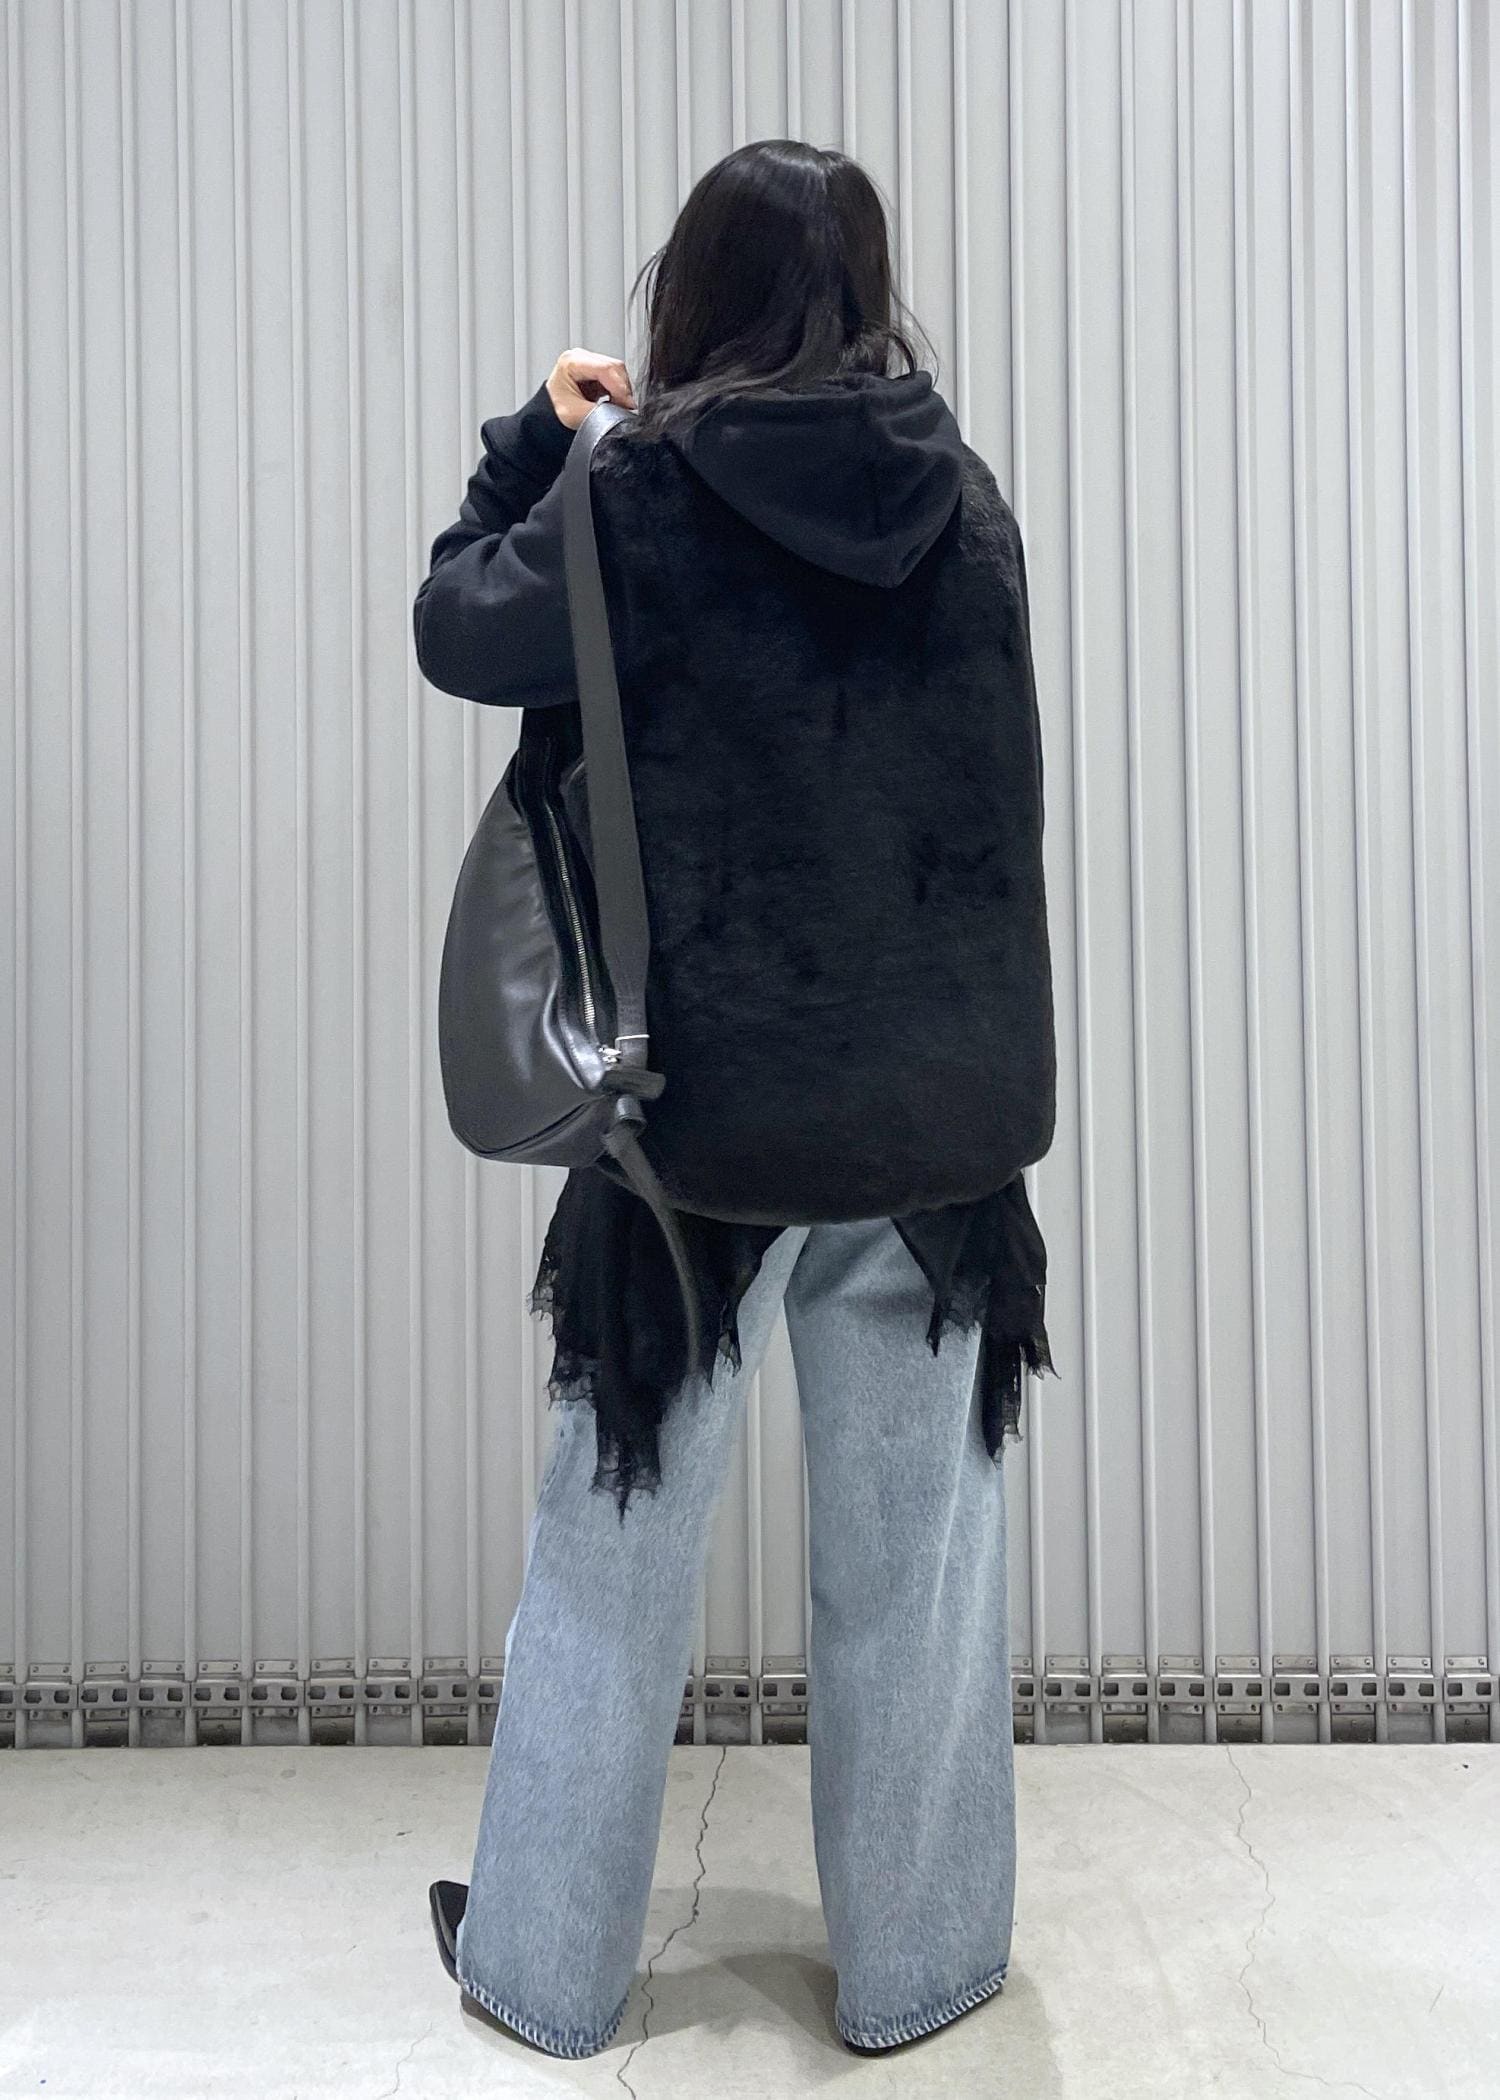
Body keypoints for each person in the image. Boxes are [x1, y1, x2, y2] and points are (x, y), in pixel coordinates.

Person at [411, 138, 1056, 2062]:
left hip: (697, 1134)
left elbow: (457, 625)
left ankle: (542, 1970)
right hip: (937, 1130)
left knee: (613, 1551)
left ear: (690, 296)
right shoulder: (969, 501)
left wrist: (535, 441)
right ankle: (921, 1971)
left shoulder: (636, 499)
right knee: (917, 1575)